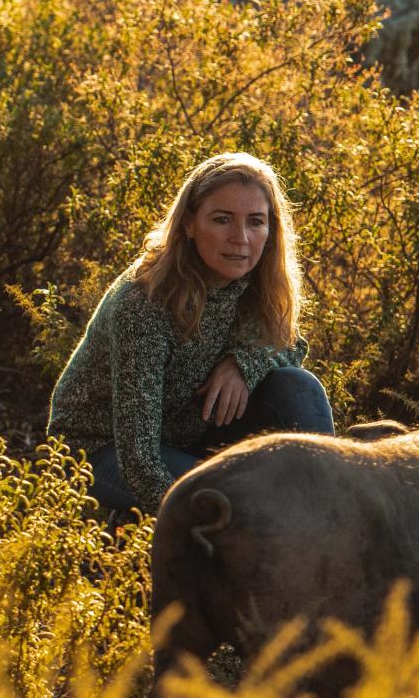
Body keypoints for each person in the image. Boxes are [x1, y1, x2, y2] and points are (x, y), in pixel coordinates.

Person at [48, 151, 334, 516]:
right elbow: (139, 457)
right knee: (241, 505)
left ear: (271, 229)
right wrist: (203, 518)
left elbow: (291, 344)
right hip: (101, 452)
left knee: (297, 385)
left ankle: (327, 508)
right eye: (222, 219)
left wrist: (241, 364)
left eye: (256, 221)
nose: (241, 238)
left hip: (188, 438)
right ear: (188, 224)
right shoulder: (145, 302)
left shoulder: (252, 281)